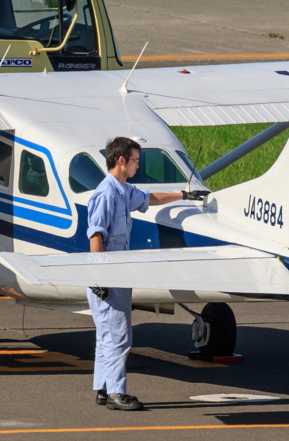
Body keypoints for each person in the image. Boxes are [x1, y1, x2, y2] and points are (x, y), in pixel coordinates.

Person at [87, 137, 207, 411]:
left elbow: (149, 199)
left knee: (105, 336)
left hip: (113, 275)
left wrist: (184, 195)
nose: (138, 165)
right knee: (118, 336)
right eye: (135, 160)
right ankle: (117, 393)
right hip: (107, 277)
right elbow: (96, 237)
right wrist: (99, 279)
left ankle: (104, 389)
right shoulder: (106, 194)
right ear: (121, 161)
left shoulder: (123, 190)